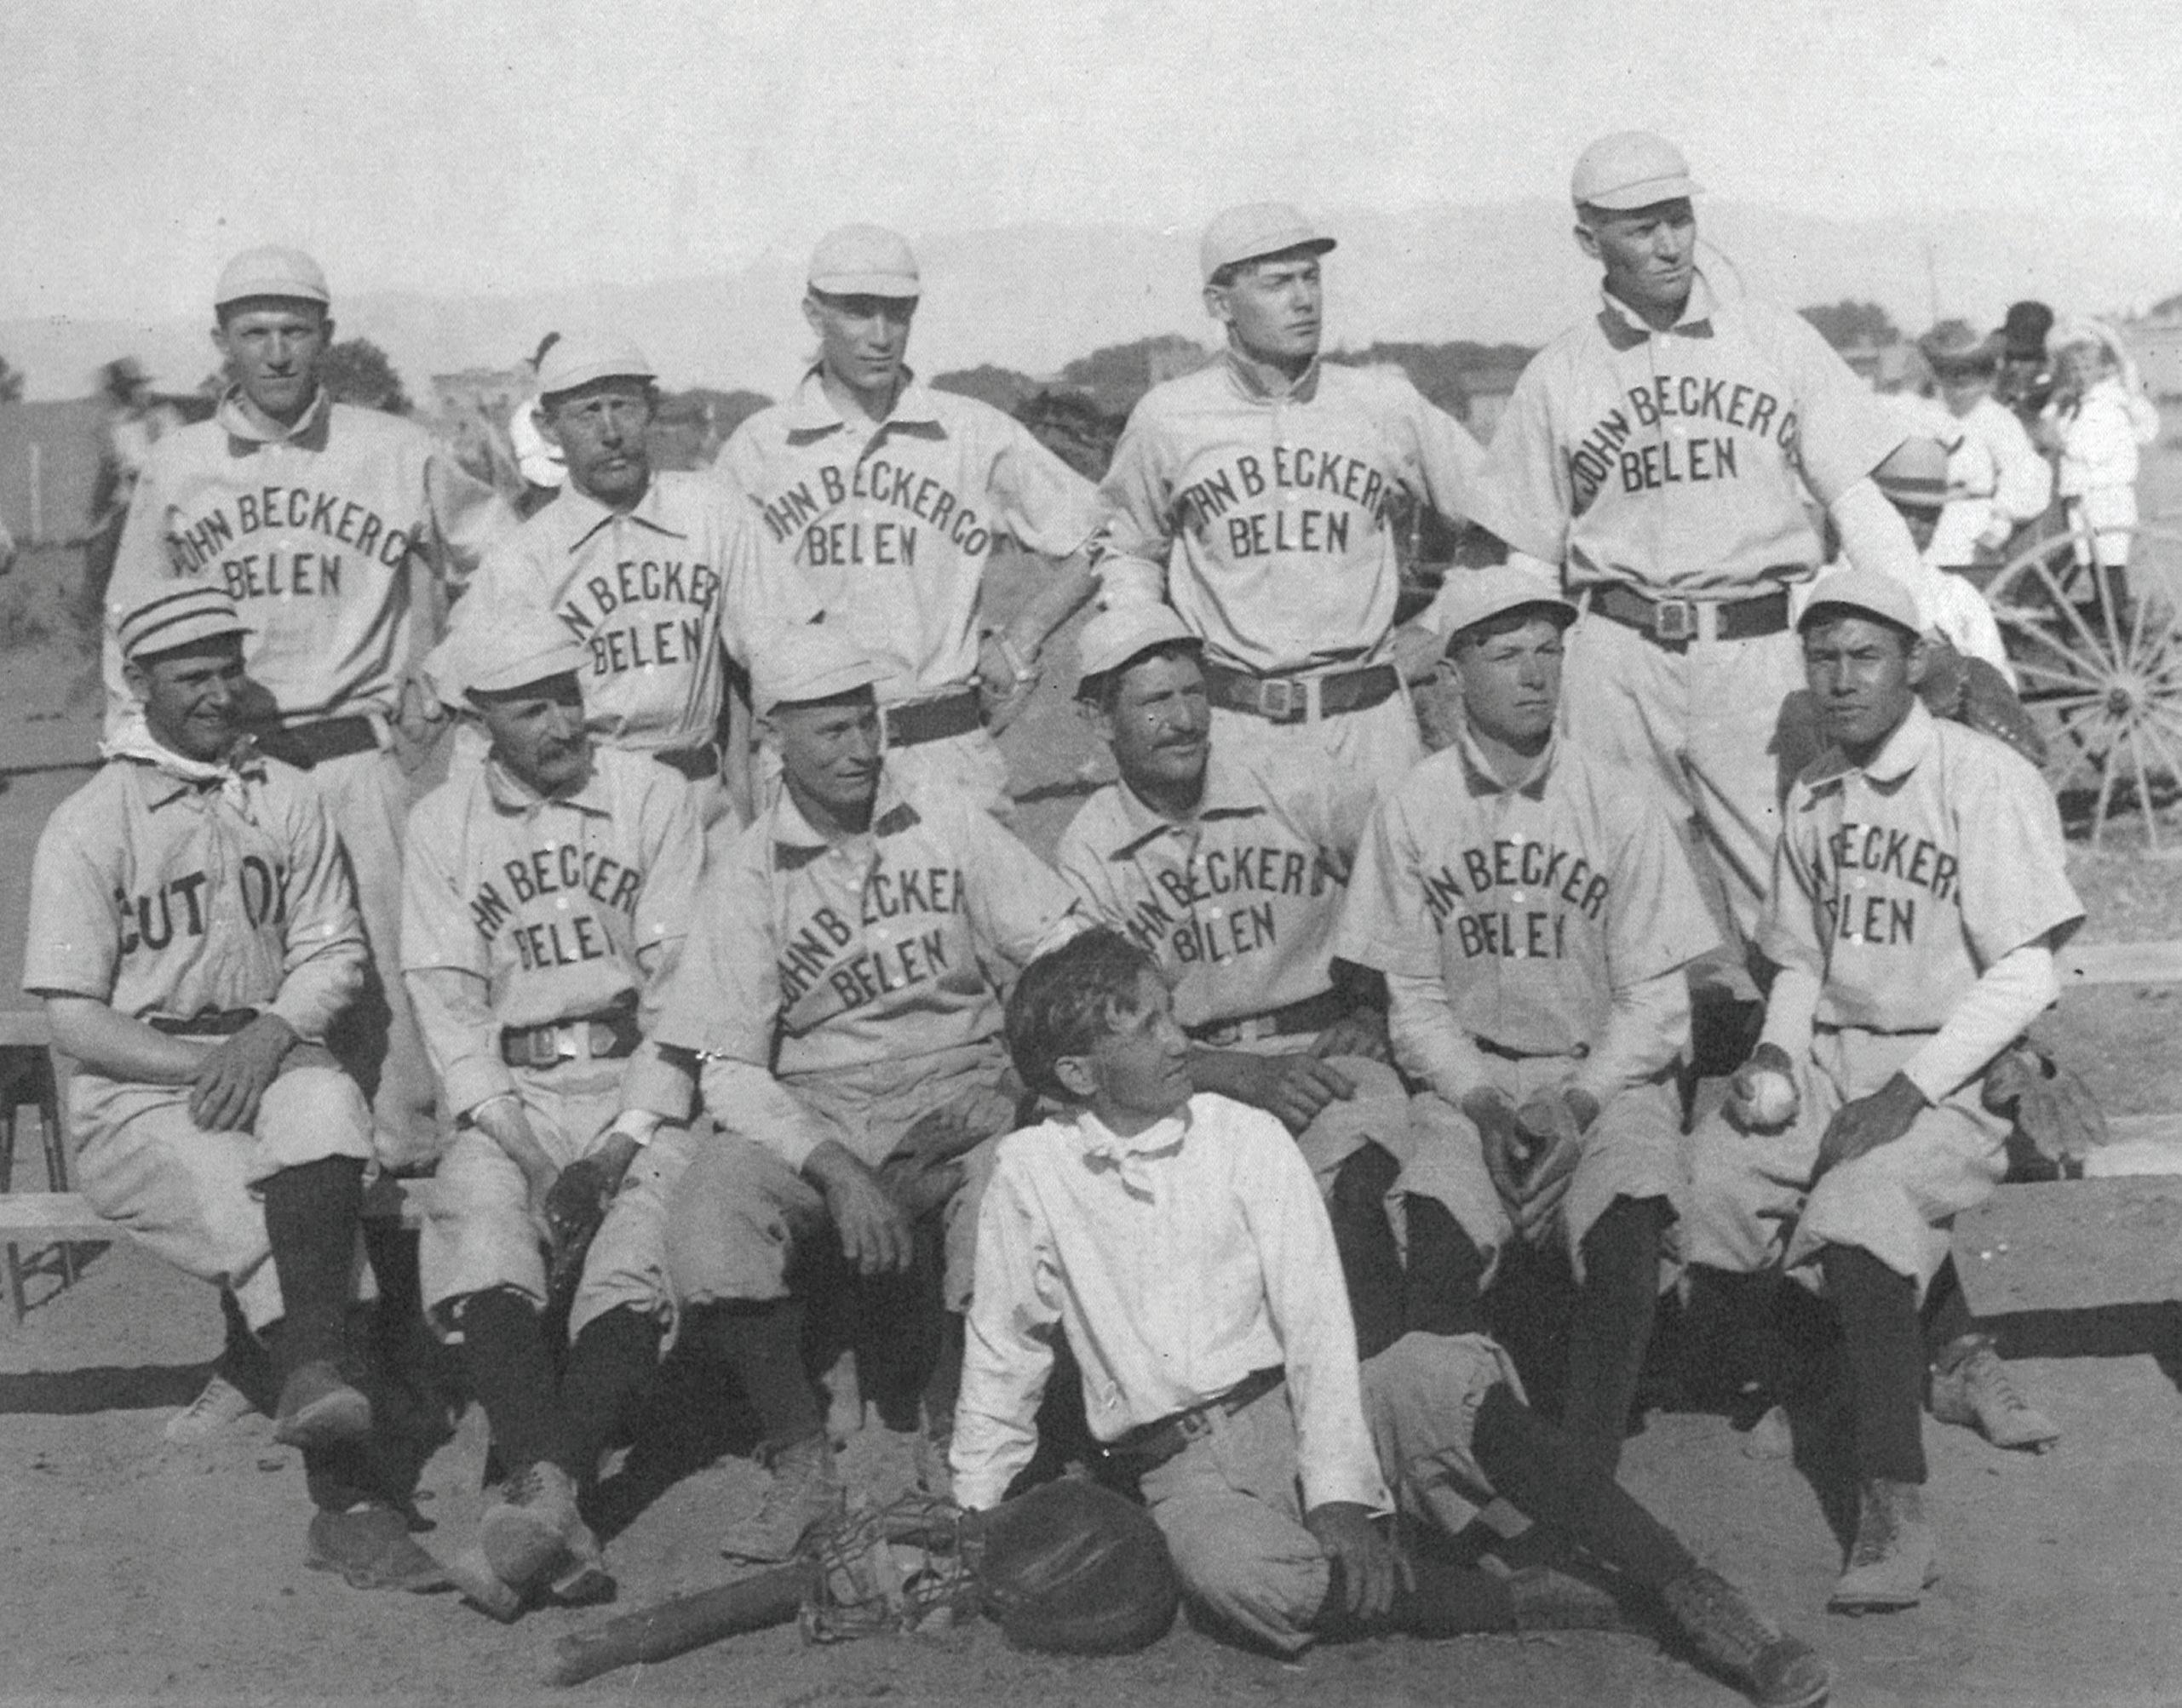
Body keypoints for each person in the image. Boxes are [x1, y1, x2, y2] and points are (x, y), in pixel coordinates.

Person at [952, 928, 1831, 1708]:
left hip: (1297, 1404)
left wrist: (1338, 1493)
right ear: (1078, 1073)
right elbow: (1005, 1345)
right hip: (1184, 1471)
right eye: (1143, 1028)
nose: (1179, 1040)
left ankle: (1691, 1590)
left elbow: (1315, 1317)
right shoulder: (1030, 1174)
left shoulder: (1238, 1135)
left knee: (1437, 1372)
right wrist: (976, 1505)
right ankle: (1536, 1597)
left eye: (1168, 1014)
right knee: (1240, 1579)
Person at [610, 624, 1084, 1560]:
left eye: (868, 723)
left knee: (1009, 1181)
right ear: (775, 740)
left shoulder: (943, 820)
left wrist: (1015, 1078)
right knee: (712, 1199)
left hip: (956, 1077)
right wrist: (834, 1167)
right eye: (831, 731)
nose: (861, 748)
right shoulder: (749, 871)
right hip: (818, 1101)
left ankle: (962, 1433)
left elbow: (1063, 944)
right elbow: (730, 1067)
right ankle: (800, 1459)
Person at [23, 582, 448, 1592]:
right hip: (138, 1092)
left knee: (330, 1107)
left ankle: (308, 1376)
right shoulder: (90, 822)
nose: (219, 693)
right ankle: (351, 1503)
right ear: (140, 683)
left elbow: (332, 952)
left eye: (228, 671)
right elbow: (74, 1019)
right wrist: (208, 1064)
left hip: (270, 1050)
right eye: (191, 677)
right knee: (271, 1224)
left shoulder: (286, 796)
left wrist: (268, 1036)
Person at [1684, 568, 2082, 1613]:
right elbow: (1799, 961)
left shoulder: (1980, 777)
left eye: (1866, 655)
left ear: (1915, 662)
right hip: (1831, 1059)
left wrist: (1908, 1091)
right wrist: (1777, 1056)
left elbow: (2027, 971)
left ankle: (1893, 1505)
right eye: (1822, 657)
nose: (1842, 678)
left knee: (1861, 1212)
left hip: (1950, 1070)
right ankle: (1836, 1375)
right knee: (1710, 1185)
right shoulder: (1815, 790)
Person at [102, 245, 514, 1175]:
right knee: (241, 980)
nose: (278, 352)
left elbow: (503, 555)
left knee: (385, 980)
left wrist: (449, 667)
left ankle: (408, 1181)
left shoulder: (392, 448)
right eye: (256, 333)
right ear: (222, 342)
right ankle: (281, 1197)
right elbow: (129, 621)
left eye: (295, 330)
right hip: (229, 768)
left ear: (325, 335)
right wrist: (139, 756)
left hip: (353, 758)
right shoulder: (178, 463)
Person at [1481, 133, 1922, 966]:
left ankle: (1811, 1043)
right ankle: (1652, 1054)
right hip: (1616, 656)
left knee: (1792, 888)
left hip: (1756, 655)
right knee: (1614, 893)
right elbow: (1530, 560)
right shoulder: (1559, 373)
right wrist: (1519, 677)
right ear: (1589, 241)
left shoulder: (1773, 338)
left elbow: (1856, 500)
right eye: (1640, 228)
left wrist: (1918, 624)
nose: (1668, 244)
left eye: (1678, 219)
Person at [1332, 563, 1720, 1476]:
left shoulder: (1619, 800)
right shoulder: (1415, 806)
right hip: (1468, 1082)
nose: (1536, 673)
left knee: (1625, 1234)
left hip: (1608, 1077)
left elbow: (1657, 1003)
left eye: (1549, 650)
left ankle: (1583, 1488)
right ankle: (1458, 1483)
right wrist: (1482, 1105)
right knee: (1435, 1238)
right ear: (1452, 675)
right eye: (1507, 654)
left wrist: (1577, 1106)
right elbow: (1414, 1003)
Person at [400, 611, 703, 1614]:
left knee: (635, 1246)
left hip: (635, 1083)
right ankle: (557, 1510)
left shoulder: (652, 794)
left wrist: (616, 1147)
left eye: (569, 695)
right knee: (484, 1226)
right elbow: (448, 1012)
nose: (563, 722)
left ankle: (540, 1495)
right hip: (512, 1095)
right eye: (532, 708)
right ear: (479, 722)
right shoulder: (442, 823)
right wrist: (531, 1157)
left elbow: (682, 996)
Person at [1094, 202, 1500, 828]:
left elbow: (1501, 519)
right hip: (1237, 727)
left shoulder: (1382, 404)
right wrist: (1154, 655)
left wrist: (1442, 622)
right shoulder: (1169, 417)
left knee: (1397, 890)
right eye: (1277, 283)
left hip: (1371, 724)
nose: (1304, 299)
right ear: (1220, 303)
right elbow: (1128, 550)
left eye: (1311, 277)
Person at [714, 225, 1100, 817]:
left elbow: (1105, 532)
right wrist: (739, 781)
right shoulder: (759, 450)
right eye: (857, 312)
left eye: (897, 313)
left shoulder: (969, 432)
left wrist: (1024, 634)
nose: (880, 336)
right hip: (810, 760)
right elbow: (724, 634)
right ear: (814, 315)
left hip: (941, 746)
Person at [1054, 603, 1409, 1194]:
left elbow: (1400, 887)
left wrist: (1374, 1010)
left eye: (1194, 693)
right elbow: (1100, 1025)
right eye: (1155, 702)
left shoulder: (1293, 778)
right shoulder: (1091, 848)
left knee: (1357, 1191)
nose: (1184, 720)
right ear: (1100, 719)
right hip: (1188, 1076)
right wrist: (1239, 1073)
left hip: (1325, 1050)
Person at [442, 334, 818, 830]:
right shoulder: (523, 556)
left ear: (652, 408)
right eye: (587, 413)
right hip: (589, 803)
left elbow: (789, 656)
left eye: (623, 406)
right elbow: (474, 717)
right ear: (548, 427)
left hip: (701, 796)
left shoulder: (714, 512)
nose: (610, 432)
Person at [1914, 323, 2053, 585]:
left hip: (1972, 525)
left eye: (1968, 370)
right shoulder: (1931, 417)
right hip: (1927, 519)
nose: (1959, 379)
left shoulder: (1996, 420)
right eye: (1950, 370)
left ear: (1983, 372)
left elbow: (2022, 474)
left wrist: (1998, 529)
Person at [2048, 321, 2158, 620]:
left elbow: (2091, 449)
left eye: (2087, 368)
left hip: (2106, 495)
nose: (2080, 375)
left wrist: (2062, 441)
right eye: (2073, 369)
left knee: (2110, 560)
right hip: (2083, 495)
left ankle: (2116, 613)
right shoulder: (2075, 404)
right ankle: (2106, 609)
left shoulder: (2110, 404)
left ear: (2100, 369)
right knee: (2092, 559)